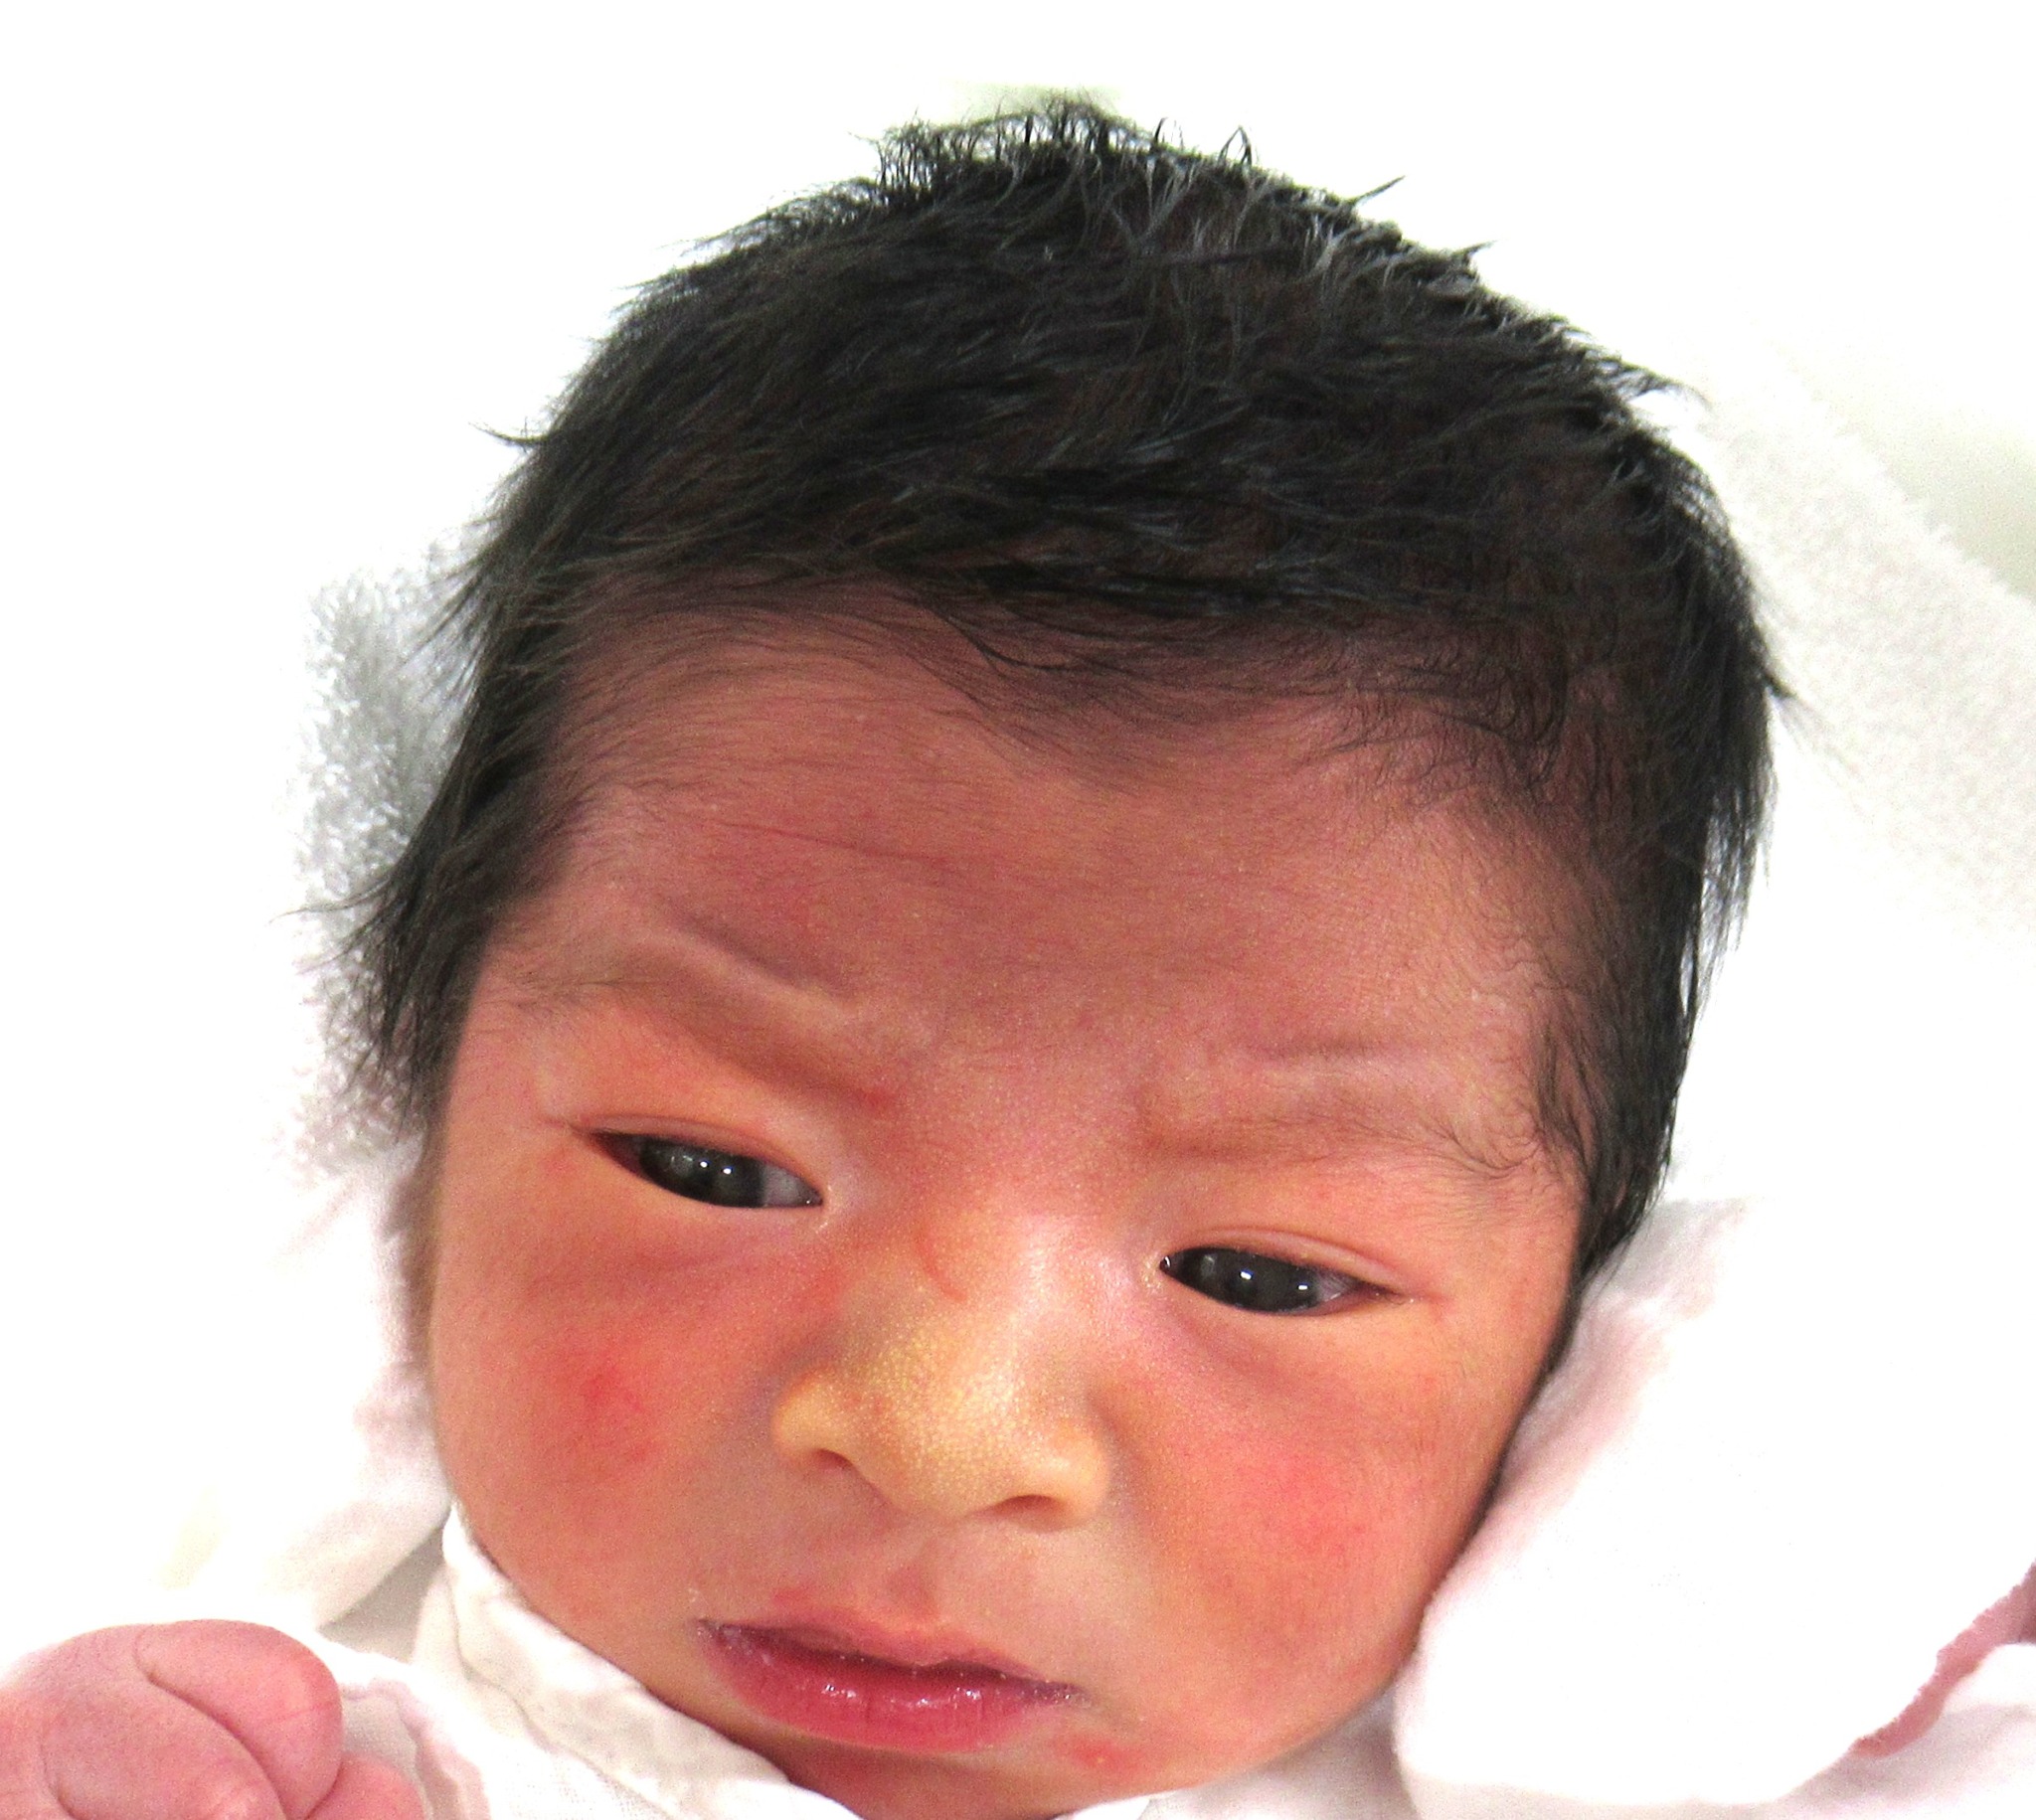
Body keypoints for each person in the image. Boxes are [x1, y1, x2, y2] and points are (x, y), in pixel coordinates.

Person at [11, 101, 2005, 1820]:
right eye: (709, 1168)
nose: (938, 1431)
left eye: (1258, 1276)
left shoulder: (1637, 1725)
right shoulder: (298, 1693)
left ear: (1570, 1333)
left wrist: (1853, 1599)